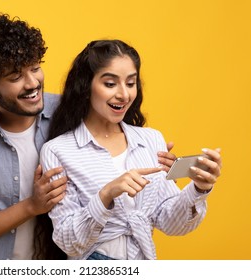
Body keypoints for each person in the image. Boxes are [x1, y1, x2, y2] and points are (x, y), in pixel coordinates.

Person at [0, 13, 176, 260]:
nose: (32, 83)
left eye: (35, 68)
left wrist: (155, 159)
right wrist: (32, 206)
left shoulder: (69, 109)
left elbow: (115, 143)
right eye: (15, 77)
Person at [39, 39, 222, 260]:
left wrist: (199, 189)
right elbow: (68, 240)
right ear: (86, 86)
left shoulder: (151, 140)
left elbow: (171, 223)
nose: (124, 95)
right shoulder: (58, 150)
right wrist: (106, 195)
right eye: (110, 84)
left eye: (130, 83)